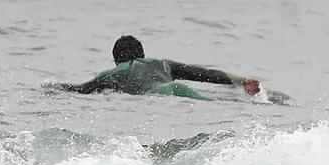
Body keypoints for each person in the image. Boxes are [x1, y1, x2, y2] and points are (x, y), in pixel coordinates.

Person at [61, 36, 261, 99]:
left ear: (115, 60)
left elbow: (80, 90)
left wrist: (53, 87)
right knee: (221, 105)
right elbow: (203, 74)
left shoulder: (110, 75)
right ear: (143, 55)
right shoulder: (163, 64)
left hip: (159, 97)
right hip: (181, 90)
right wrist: (241, 80)